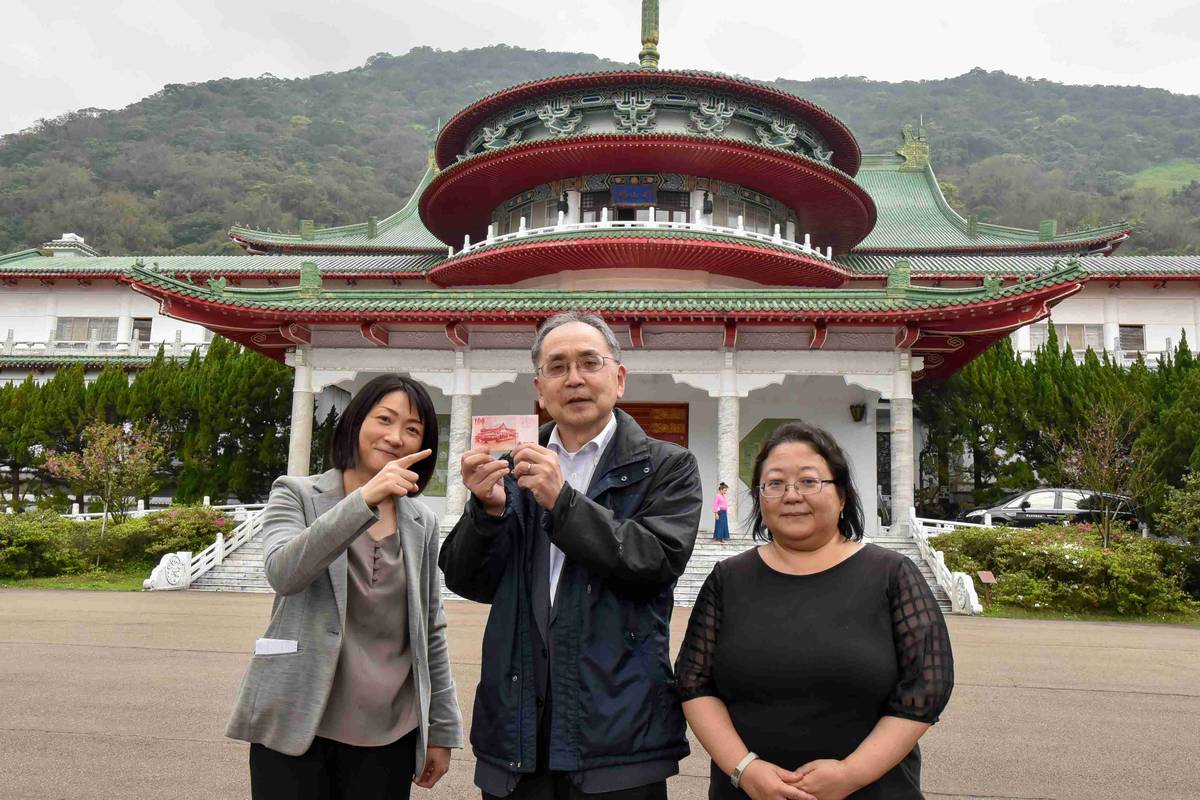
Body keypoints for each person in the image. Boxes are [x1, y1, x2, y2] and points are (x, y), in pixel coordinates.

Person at [439, 312, 704, 800]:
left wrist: (563, 502)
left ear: (618, 378)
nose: (575, 378)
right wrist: (487, 513)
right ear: (540, 389)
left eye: (589, 362)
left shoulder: (667, 466)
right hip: (517, 730)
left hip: (618, 733)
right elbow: (464, 579)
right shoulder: (511, 466)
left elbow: (655, 562)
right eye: (557, 367)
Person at [675, 422, 953, 800]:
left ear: (841, 496)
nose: (791, 495)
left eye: (809, 481)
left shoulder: (892, 575)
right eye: (774, 483)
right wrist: (745, 768)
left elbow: (927, 687)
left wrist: (851, 774)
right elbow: (694, 683)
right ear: (760, 498)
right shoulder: (728, 579)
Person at [227, 374, 463, 800]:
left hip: (387, 730)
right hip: (297, 718)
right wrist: (363, 502)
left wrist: (442, 729)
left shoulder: (421, 522)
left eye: (412, 429)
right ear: (356, 422)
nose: (395, 437)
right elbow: (284, 572)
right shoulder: (297, 493)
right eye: (384, 419)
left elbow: (431, 628)